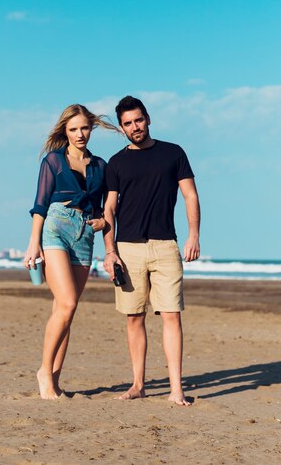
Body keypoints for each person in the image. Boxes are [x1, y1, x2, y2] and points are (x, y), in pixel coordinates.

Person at [103, 95, 200, 406]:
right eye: (128, 123)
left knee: (171, 315)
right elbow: (109, 209)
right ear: (122, 128)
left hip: (165, 246)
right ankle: (138, 384)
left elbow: (190, 196)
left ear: (148, 119)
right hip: (128, 249)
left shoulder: (173, 153)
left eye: (139, 120)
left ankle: (176, 390)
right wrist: (110, 251)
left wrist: (193, 235)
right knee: (134, 317)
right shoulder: (116, 163)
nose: (136, 127)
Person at [24, 104, 118, 399]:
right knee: (66, 304)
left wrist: (105, 230)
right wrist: (32, 242)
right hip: (56, 227)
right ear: (65, 130)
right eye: (74, 129)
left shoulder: (101, 166)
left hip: (85, 235)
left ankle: (54, 379)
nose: (80, 134)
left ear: (92, 128)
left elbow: (106, 210)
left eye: (84, 128)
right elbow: (40, 205)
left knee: (65, 310)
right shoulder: (53, 161)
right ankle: (43, 372)